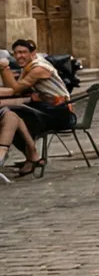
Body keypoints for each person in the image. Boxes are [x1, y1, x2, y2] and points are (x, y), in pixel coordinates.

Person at [0, 37, 71, 175]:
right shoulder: (27, 67)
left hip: (59, 112)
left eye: (23, 52)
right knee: (10, 116)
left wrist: (5, 68)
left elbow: (15, 89)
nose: (20, 56)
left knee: (12, 120)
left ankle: (31, 155)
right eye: (17, 53)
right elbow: (15, 91)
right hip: (44, 108)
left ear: (31, 53)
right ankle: (32, 154)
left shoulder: (38, 68)